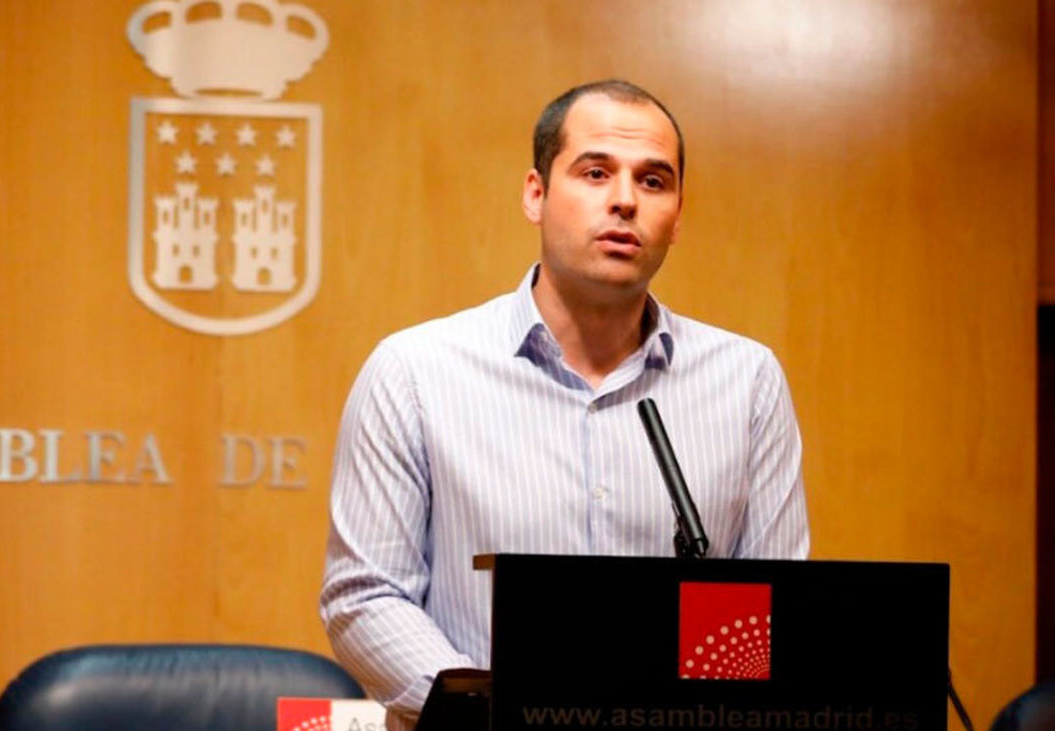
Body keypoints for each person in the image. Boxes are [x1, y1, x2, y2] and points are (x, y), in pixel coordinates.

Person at [319, 80, 809, 730]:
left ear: (678, 216)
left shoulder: (746, 381)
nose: (626, 200)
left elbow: (768, 611)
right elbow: (366, 595)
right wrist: (499, 712)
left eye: (654, 181)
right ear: (536, 193)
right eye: (596, 172)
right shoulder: (414, 371)